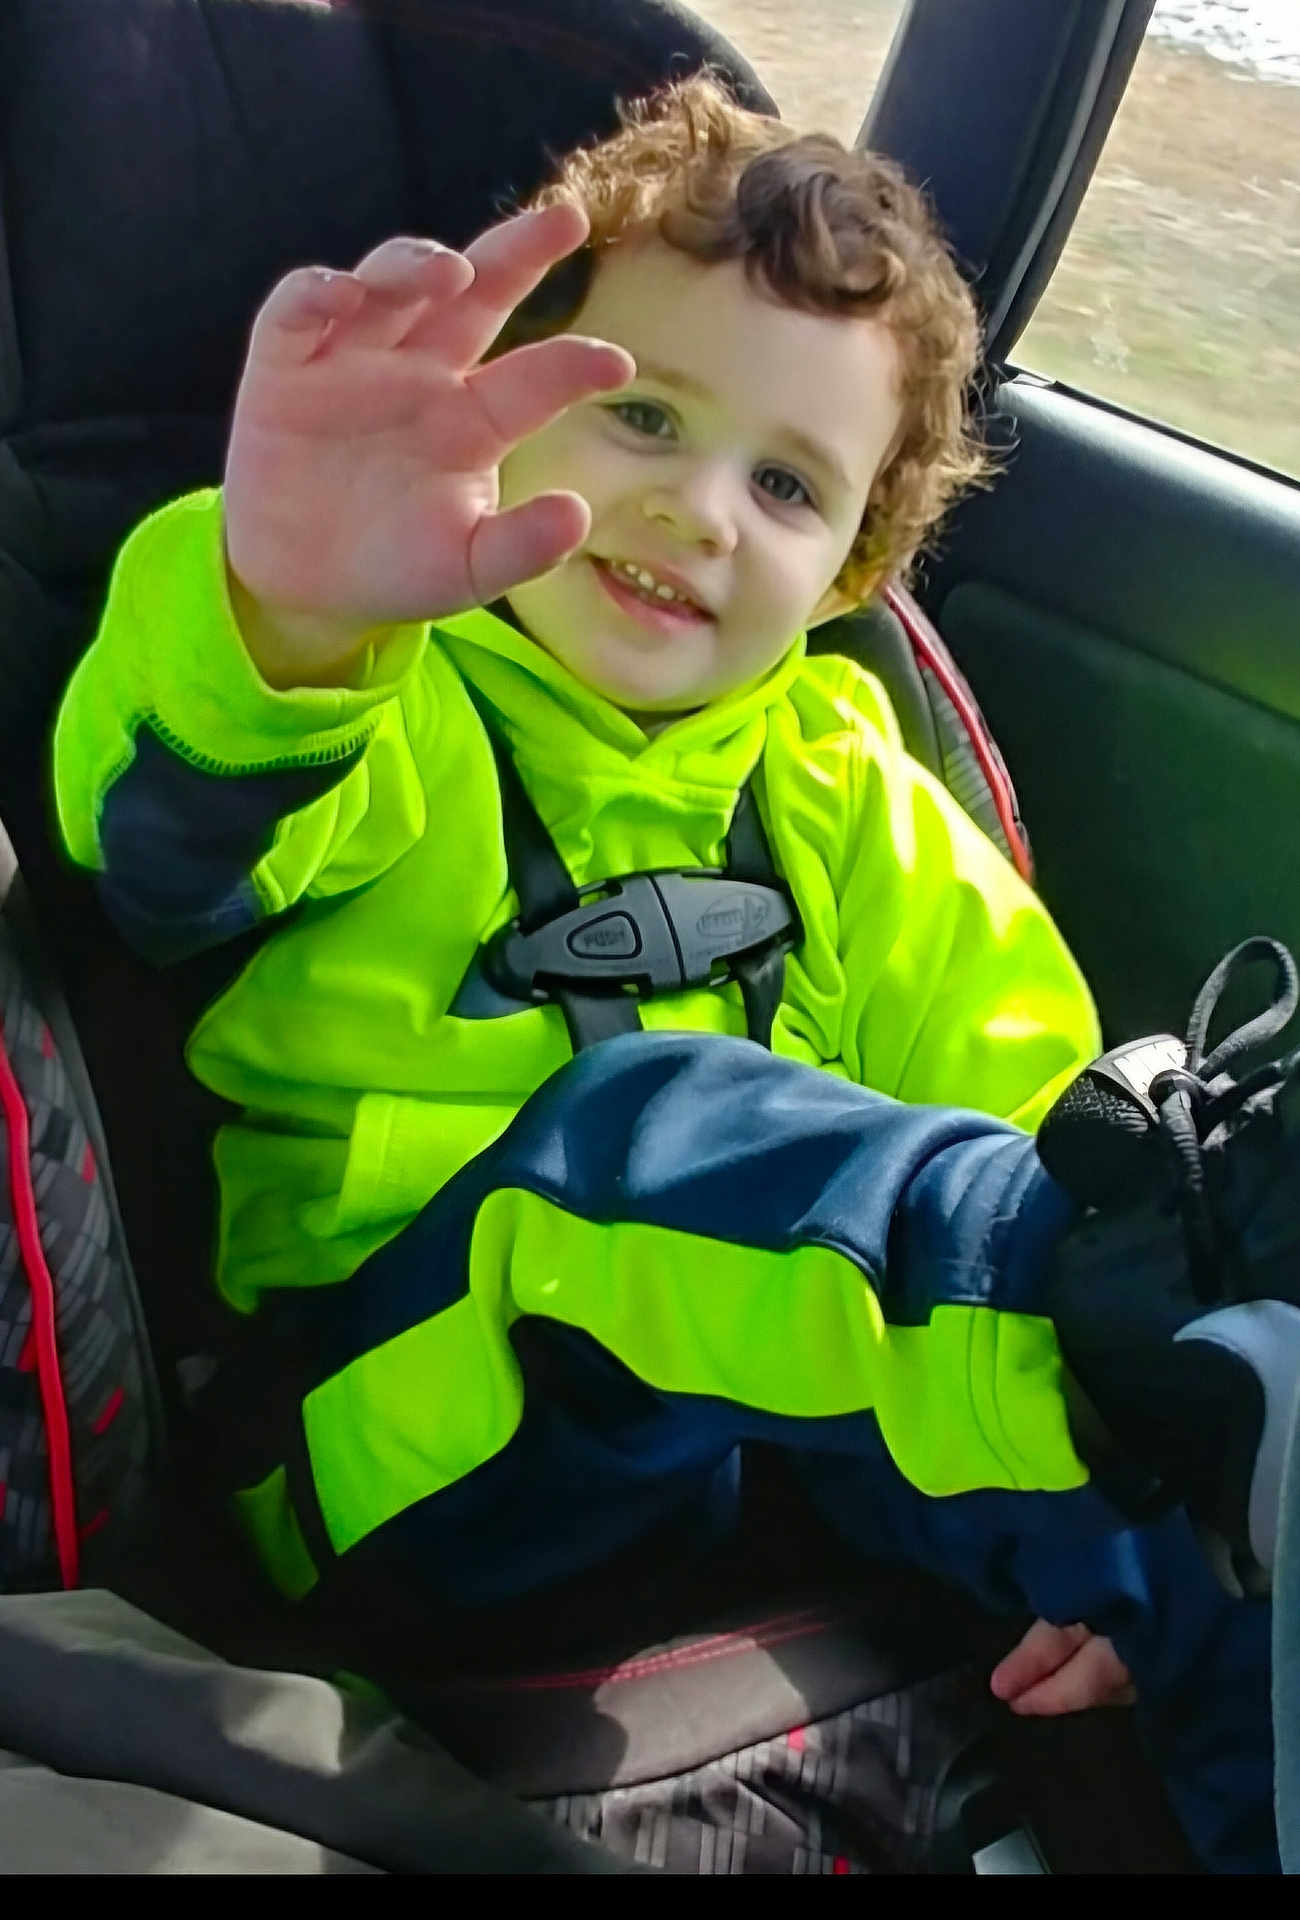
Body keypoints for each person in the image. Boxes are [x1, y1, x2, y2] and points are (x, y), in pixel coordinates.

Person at [50, 72, 1271, 1859]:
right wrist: (285, 603)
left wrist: (1111, 1523)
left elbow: (1013, 1109)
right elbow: (156, 849)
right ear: (506, 411)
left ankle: (1233, 1595)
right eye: (638, 420)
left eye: (783, 483)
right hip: (393, 1433)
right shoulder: (385, 679)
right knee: (648, 1145)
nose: (700, 508)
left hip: (756, 1433)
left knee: (1121, 1373)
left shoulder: (852, 780)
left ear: (856, 564)